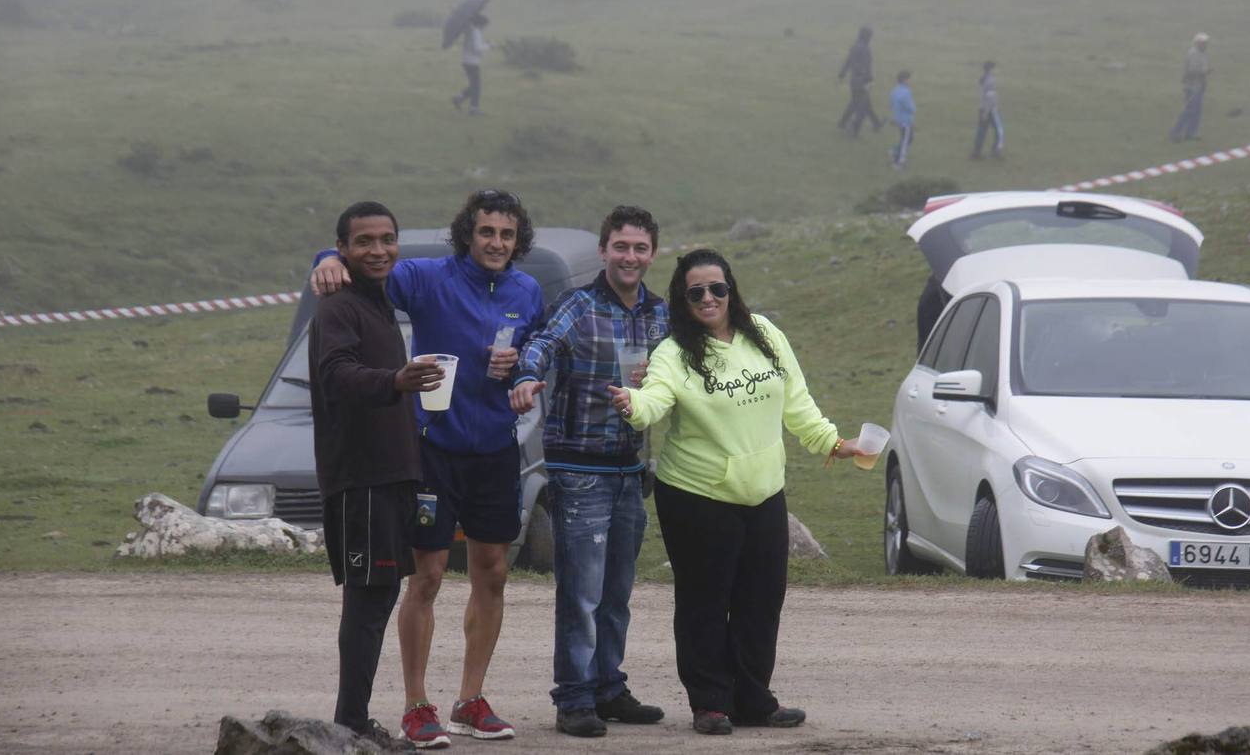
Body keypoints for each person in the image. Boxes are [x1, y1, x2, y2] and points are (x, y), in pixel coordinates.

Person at [311, 189, 543, 747]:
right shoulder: (427, 276)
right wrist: (324, 259)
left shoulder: (527, 290)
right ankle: (417, 705)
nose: (496, 243)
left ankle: (471, 699)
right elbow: (366, 267)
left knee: (492, 572)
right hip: (432, 448)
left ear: (518, 242)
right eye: (486, 232)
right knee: (427, 577)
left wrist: (521, 373)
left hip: (494, 449)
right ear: (468, 234)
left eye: (506, 235)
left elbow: (535, 352)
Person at [607, 249, 871, 736]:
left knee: (761, 599)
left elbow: (798, 402)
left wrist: (832, 442)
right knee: (704, 601)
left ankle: (753, 699)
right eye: (696, 292)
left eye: (717, 288)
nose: (708, 298)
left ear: (731, 290)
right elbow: (654, 400)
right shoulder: (674, 353)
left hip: (764, 492)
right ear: (682, 301)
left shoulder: (766, 334)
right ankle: (710, 702)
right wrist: (632, 403)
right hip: (697, 495)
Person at [508, 205, 671, 738]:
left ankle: (609, 687)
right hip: (578, 469)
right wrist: (529, 376)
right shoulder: (578, 306)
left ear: (652, 253)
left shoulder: (660, 315)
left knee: (618, 590)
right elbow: (540, 344)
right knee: (581, 591)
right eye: (621, 246)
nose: (630, 256)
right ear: (604, 251)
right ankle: (573, 698)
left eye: (640, 248)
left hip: (630, 470)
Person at [308, 201, 446, 746]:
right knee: (367, 604)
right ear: (342, 249)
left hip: (390, 475)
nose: (378, 250)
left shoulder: (378, 302)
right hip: (360, 478)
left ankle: (353, 720)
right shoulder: (337, 308)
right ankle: (351, 726)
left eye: (387, 239)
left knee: (381, 595)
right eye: (364, 241)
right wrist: (396, 379)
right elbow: (337, 375)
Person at [836, 25, 883, 137]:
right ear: (868, 36)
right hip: (862, 81)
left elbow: (848, 61)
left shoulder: (854, 46)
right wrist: (869, 80)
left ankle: (876, 124)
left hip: (854, 80)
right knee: (861, 106)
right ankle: (853, 129)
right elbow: (867, 66)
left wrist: (842, 74)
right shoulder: (866, 49)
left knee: (859, 102)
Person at [1169, 32, 1210, 143]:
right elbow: (1192, 71)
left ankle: (1190, 133)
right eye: (1203, 43)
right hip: (1192, 87)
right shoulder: (1193, 54)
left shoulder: (1203, 54)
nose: (1205, 45)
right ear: (1197, 43)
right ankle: (1175, 133)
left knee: (1197, 111)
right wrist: (1204, 73)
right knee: (1189, 110)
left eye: (1206, 43)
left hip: (1199, 86)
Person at [452, 13, 490, 115]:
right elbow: (477, 48)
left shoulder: (469, 31)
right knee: (476, 87)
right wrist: (488, 46)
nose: (485, 27)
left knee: (474, 85)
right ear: (480, 24)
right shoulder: (476, 32)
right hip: (472, 62)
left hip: (466, 61)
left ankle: (458, 98)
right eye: (485, 25)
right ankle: (474, 109)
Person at [969, 60, 1003, 159]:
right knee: (999, 131)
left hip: (982, 108)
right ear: (991, 69)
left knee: (981, 131)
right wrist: (987, 112)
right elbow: (990, 97)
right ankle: (996, 151)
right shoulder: (991, 81)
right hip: (990, 110)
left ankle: (976, 152)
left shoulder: (984, 78)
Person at [889, 69, 916, 170]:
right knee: (905, 140)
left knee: (909, 138)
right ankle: (899, 162)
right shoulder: (906, 93)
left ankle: (894, 151)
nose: (910, 81)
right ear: (904, 80)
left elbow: (891, 104)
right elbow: (911, 108)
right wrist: (913, 110)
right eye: (909, 79)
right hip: (906, 121)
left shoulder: (894, 90)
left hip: (898, 119)